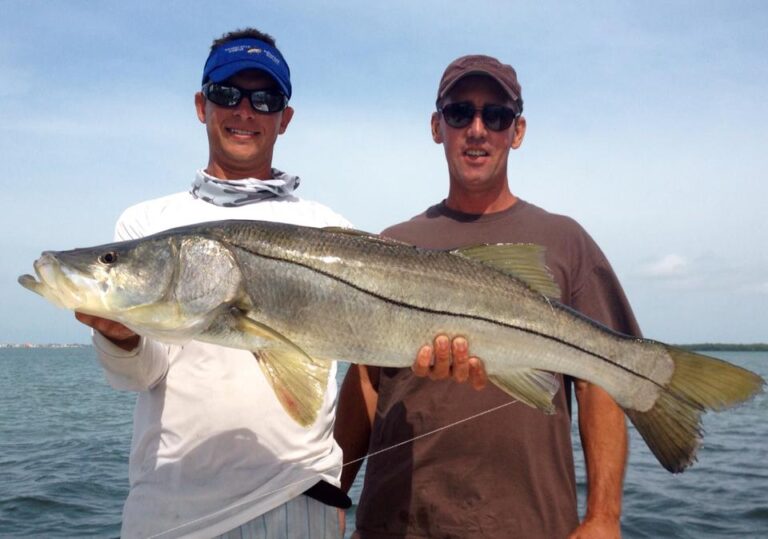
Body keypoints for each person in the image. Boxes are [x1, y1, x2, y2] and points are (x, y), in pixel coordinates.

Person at [75, 28, 479, 539]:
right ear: (202, 105)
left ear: (284, 119)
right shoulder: (148, 226)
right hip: (174, 513)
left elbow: (363, 351)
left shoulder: (327, 225)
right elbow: (140, 375)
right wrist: (120, 335)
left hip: (299, 498)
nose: (245, 111)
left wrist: (436, 353)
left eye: (264, 99)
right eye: (227, 93)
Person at [335, 55, 641, 539]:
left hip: (530, 525)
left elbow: (600, 380)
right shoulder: (390, 243)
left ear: (517, 131)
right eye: (460, 113)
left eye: (495, 116)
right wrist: (335, 491)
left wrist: (604, 517)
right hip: (395, 525)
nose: (477, 129)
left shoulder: (565, 241)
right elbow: (366, 380)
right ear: (437, 127)